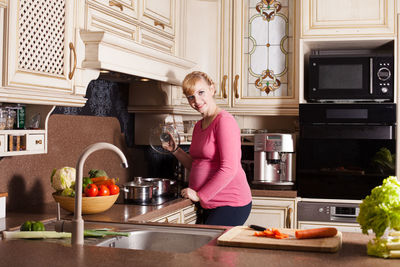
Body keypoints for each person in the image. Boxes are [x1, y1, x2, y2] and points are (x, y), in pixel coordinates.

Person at [163, 71, 252, 226]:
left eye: (201, 92)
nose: (196, 101)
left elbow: (229, 168)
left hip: (230, 202)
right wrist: (175, 150)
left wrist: (200, 195)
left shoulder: (224, 122)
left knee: (212, 250)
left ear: (212, 89)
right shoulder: (199, 125)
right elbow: (196, 164)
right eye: (191, 97)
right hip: (210, 202)